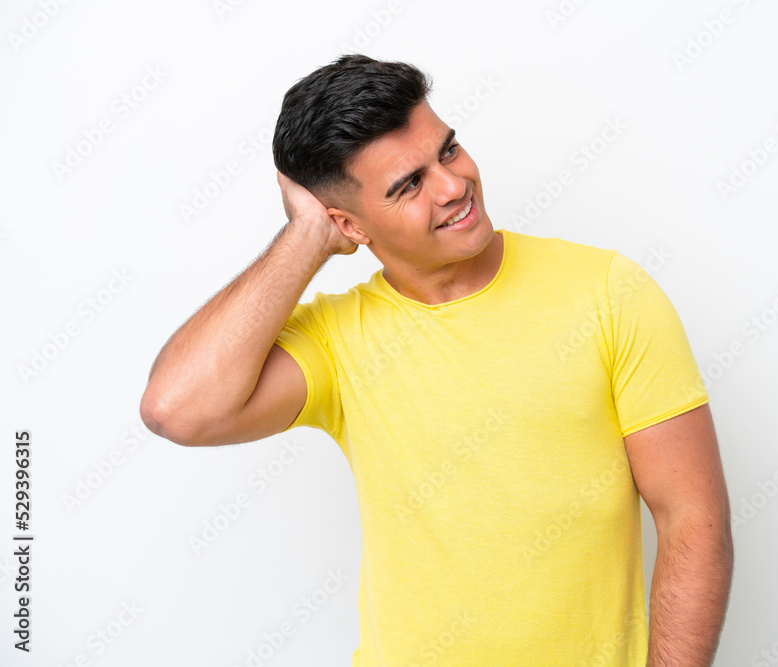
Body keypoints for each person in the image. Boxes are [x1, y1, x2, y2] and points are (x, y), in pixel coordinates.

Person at [140, 53, 734, 666]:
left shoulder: (609, 292)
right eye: (408, 185)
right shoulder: (337, 341)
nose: (454, 186)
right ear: (350, 222)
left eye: (447, 152)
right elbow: (176, 410)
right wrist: (305, 237)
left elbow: (693, 521)